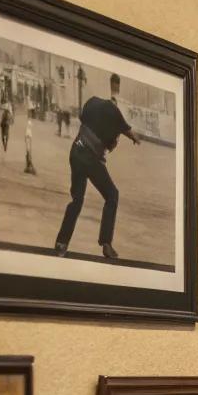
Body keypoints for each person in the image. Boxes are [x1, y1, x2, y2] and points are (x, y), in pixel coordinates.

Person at [54, 72, 140, 261]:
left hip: (75, 152)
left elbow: (85, 118)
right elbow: (127, 134)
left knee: (76, 200)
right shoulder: (115, 116)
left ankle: (61, 243)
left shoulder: (92, 103)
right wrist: (131, 138)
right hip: (90, 160)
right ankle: (106, 244)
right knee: (112, 195)